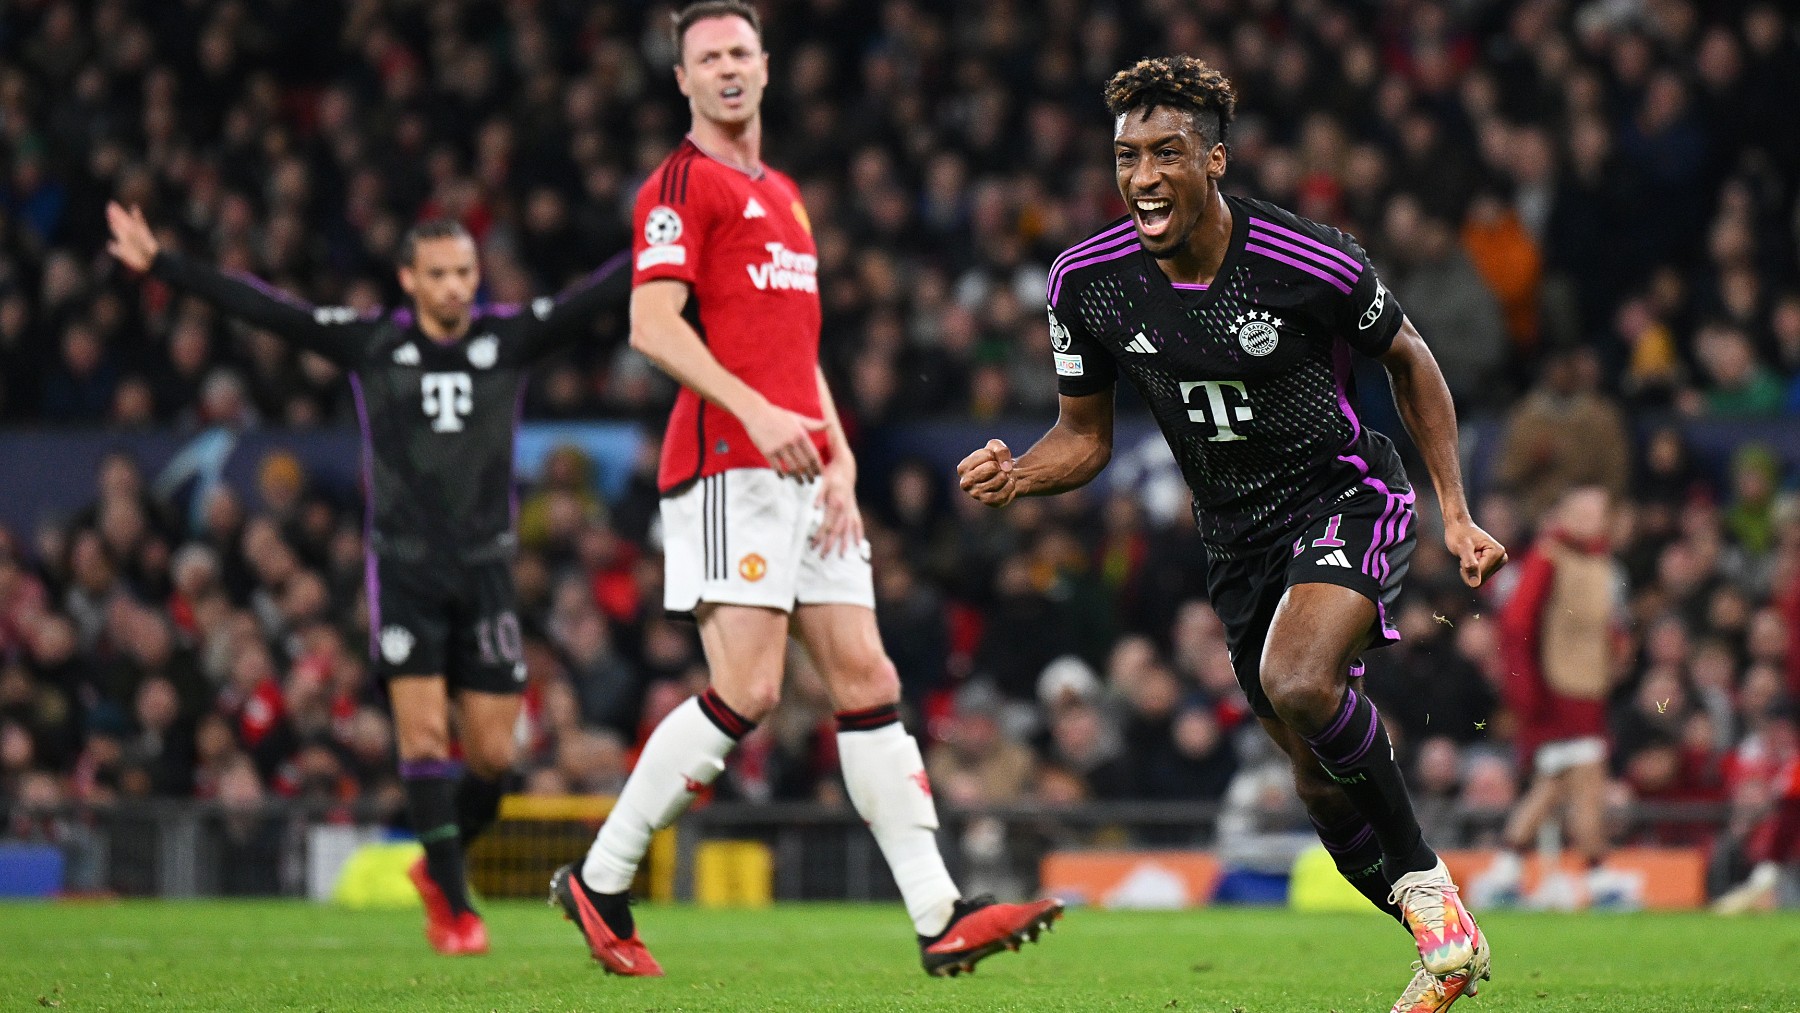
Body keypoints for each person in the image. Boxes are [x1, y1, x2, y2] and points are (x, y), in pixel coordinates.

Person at [955, 57, 1506, 1013]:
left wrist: (1453, 508)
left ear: (1214, 158)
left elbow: (1411, 362)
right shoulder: (1085, 283)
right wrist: (1020, 475)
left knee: (1300, 679)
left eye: (1167, 153)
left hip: (1347, 492)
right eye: (1127, 156)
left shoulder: (1308, 260)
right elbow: (1082, 439)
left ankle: (1427, 884)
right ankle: (1441, 946)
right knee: (1315, 779)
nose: (1143, 176)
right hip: (1237, 544)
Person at [549, 1, 1061, 980]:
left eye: (742, 50)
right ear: (683, 81)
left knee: (868, 680)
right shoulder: (677, 185)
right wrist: (760, 416)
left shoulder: (784, 194)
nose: (728, 68)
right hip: (724, 467)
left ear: (768, 67)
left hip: (802, 468)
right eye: (709, 57)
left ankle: (941, 911)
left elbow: (796, 348)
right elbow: (652, 327)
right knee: (750, 686)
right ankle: (601, 877)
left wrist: (839, 455)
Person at [107, 203, 629, 955]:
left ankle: (435, 867)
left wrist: (681, 247)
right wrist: (165, 265)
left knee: (493, 757)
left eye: (465, 274)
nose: (455, 287)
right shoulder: (376, 342)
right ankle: (455, 904)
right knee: (420, 734)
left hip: (485, 570)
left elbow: (596, 297)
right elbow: (268, 311)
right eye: (440, 274)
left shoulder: (505, 338)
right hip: (406, 570)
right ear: (409, 278)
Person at [1478, 486, 1636, 910]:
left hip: (1587, 687)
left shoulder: (1599, 562)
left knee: (1560, 783)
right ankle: (1598, 875)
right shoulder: (1549, 558)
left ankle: (1508, 869)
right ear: (1563, 515)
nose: (1590, 521)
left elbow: (1603, 621)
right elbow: (1516, 624)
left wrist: (1615, 647)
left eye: (1597, 513)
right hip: (1557, 690)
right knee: (1584, 780)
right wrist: (1526, 692)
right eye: (1581, 512)